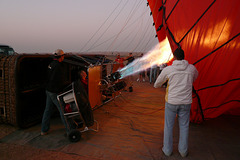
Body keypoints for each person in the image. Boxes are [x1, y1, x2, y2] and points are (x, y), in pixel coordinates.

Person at [154, 47, 198, 157]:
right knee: (184, 126)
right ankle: (183, 151)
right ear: (184, 57)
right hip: (186, 102)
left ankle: (167, 150)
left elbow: (157, 84)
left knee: (169, 126)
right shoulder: (192, 68)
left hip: (172, 102)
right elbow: (195, 77)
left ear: (174, 57)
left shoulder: (168, 69)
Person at [41, 49, 71, 136]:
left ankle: (44, 130)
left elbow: (48, 77)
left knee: (47, 110)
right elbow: (57, 80)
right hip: (54, 92)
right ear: (60, 57)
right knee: (62, 110)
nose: (63, 57)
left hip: (48, 90)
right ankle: (69, 130)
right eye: (63, 56)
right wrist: (61, 90)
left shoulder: (51, 64)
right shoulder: (58, 66)